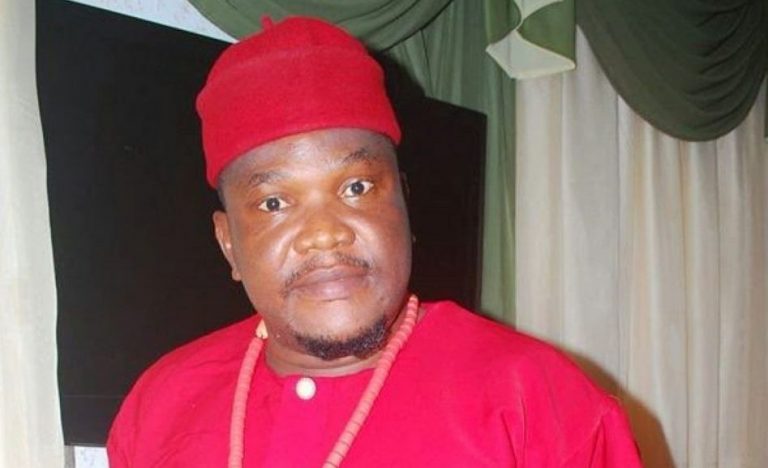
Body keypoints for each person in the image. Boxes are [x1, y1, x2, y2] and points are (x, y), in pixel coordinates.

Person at [107, 16, 642, 468]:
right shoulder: (159, 407)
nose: (325, 232)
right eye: (274, 203)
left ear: (403, 204)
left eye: (357, 188)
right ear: (229, 244)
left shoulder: (537, 399)